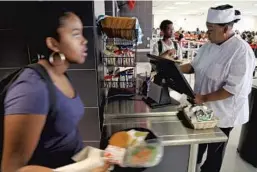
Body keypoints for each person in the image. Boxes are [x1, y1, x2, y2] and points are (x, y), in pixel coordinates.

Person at [1, 6, 109, 172]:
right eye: (75, 34)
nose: (84, 40)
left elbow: (61, 138)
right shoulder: (32, 88)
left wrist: (94, 158)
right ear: (53, 43)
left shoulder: (60, 75)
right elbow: (12, 169)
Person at [180, 4, 255, 172]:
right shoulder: (209, 45)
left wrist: (204, 98)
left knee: (215, 153)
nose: (207, 33)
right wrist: (172, 68)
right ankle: (195, 164)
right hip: (203, 108)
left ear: (226, 28)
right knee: (198, 145)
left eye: (211, 29)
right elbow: (193, 66)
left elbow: (232, 89)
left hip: (224, 113)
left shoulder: (241, 51)